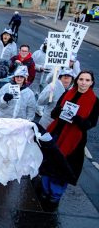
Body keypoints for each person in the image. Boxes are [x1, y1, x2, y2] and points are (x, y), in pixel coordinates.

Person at [43, 70, 98, 208]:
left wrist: (77, 119)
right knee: (48, 164)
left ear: (92, 83)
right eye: (81, 79)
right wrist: (60, 111)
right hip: (56, 133)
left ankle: (55, 195)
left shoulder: (95, 101)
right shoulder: (68, 93)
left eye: (87, 80)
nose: (83, 83)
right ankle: (45, 190)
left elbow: (90, 124)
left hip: (74, 141)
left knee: (62, 169)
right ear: (77, 80)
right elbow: (54, 112)